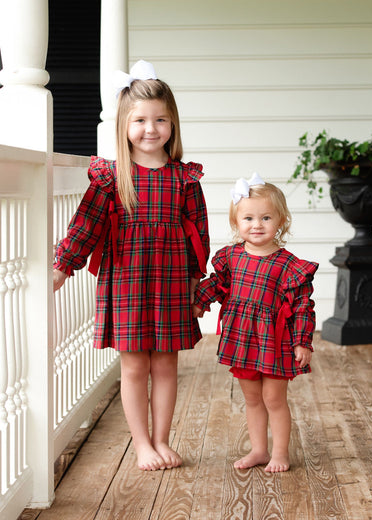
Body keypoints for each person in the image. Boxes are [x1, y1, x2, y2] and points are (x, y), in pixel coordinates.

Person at [53, 60, 210, 471]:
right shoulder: (112, 177)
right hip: (126, 282)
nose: (151, 128)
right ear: (125, 124)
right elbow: (84, 226)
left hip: (173, 283)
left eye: (161, 119)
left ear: (172, 124)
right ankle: (141, 444)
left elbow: (199, 236)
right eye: (140, 120)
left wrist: (198, 285)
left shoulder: (185, 179)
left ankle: (162, 439)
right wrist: (63, 265)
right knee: (135, 365)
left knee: (166, 364)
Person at [193, 174, 318, 472]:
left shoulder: (288, 265)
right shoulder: (231, 257)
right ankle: (259, 450)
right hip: (242, 340)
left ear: (281, 221)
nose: (257, 224)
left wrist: (302, 341)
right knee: (252, 399)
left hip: (275, 343)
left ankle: (280, 453)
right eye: (248, 218)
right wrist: (200, 301)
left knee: (273, 399)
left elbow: (302, 306)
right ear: (237, 222)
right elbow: (218, 284)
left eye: (265, 217)